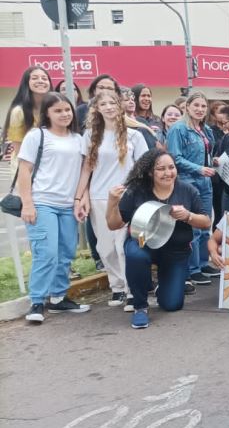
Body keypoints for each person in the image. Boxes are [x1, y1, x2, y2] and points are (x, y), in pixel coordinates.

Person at [107, 150, 210, 329]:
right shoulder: (137, 191)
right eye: (160, 169)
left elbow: (206, 221)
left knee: (172, 305)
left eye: (171, 167)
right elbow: (113, 224)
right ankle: (140, 306)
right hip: (143, 244)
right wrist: (112, 202)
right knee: (135, 255)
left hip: (175, 252)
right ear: (150, 172)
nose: (167, 173)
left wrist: (187, 216)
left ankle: (157, 286)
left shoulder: (187, 190)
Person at [15, 91, 90, 323]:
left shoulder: (79, 139)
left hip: (68, 205)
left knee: (66, 253)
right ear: (47, 113)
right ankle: (37, 301)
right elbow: (24, 170)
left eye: (67, 109)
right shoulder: (37, 136)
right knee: (46, 253)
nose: (64, 114)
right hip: (42, 202)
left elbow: (84, 172)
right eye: (57, 110)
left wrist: (80, 199)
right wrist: (27, 203)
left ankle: (58, 298)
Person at [74, 89, 149, 310]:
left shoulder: (134, 134)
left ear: (120, 106)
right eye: (103, 104)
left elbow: (143, 167)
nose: (108, 107)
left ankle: (131, 290)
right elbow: (86, 169)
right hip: (99, 197)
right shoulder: (90, 135)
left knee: (123, 246)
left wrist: (138, 194)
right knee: (105, 247)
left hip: (127, 197)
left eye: (112, 103)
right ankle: (116, 286)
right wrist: (80, 197)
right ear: (96, 108)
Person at [166, 91, 217, 285]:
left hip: (205, 181)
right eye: (196, 105)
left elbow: (206, 153)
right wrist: (199, 168)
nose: (200, 109)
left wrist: (214, 162)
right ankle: (192, 268)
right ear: (187, 107)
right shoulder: (178, 129)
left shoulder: (206, 129)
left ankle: (204, 263)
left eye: (203, 106)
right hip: (188, 181)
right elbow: (175, 158)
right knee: (192, 227)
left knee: (206, 223)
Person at [3, 66, 51, 163]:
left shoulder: (53, 108)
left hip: (50, 164)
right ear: (26, 83)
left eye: (44, 78)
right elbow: (18, 150)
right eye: (34, 78)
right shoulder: (18, 111)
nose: (40, 81)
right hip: (27, 167)